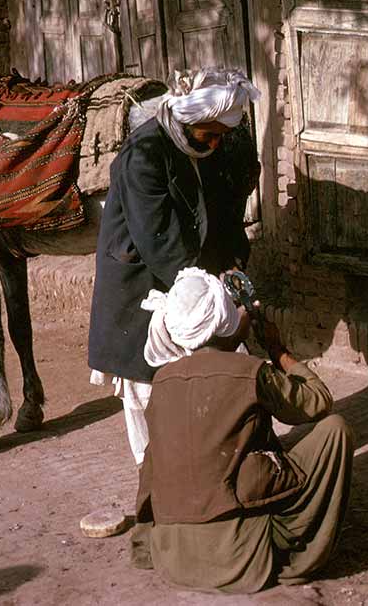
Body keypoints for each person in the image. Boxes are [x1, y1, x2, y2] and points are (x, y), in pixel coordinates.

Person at [132, 267, 354, 592]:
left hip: (172, 557)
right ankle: (301, 551)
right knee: (335, 430)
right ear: (224, 320)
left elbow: (150, 471)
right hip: (237, 561)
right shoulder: (250, 372)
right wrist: (278, 351)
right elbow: (318, 401)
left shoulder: (163, 381)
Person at [88, 68, 261, 464]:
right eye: (209, 135)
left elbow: (222, 218)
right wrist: (212, 300)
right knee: (152, 400)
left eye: (220, 135)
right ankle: (158, 493)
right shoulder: (144, 156)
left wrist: (233, 268)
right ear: (187, 122)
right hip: (144, 289)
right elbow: (161, 243)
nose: (216, 144)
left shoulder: (207, 149)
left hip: (192, 284)